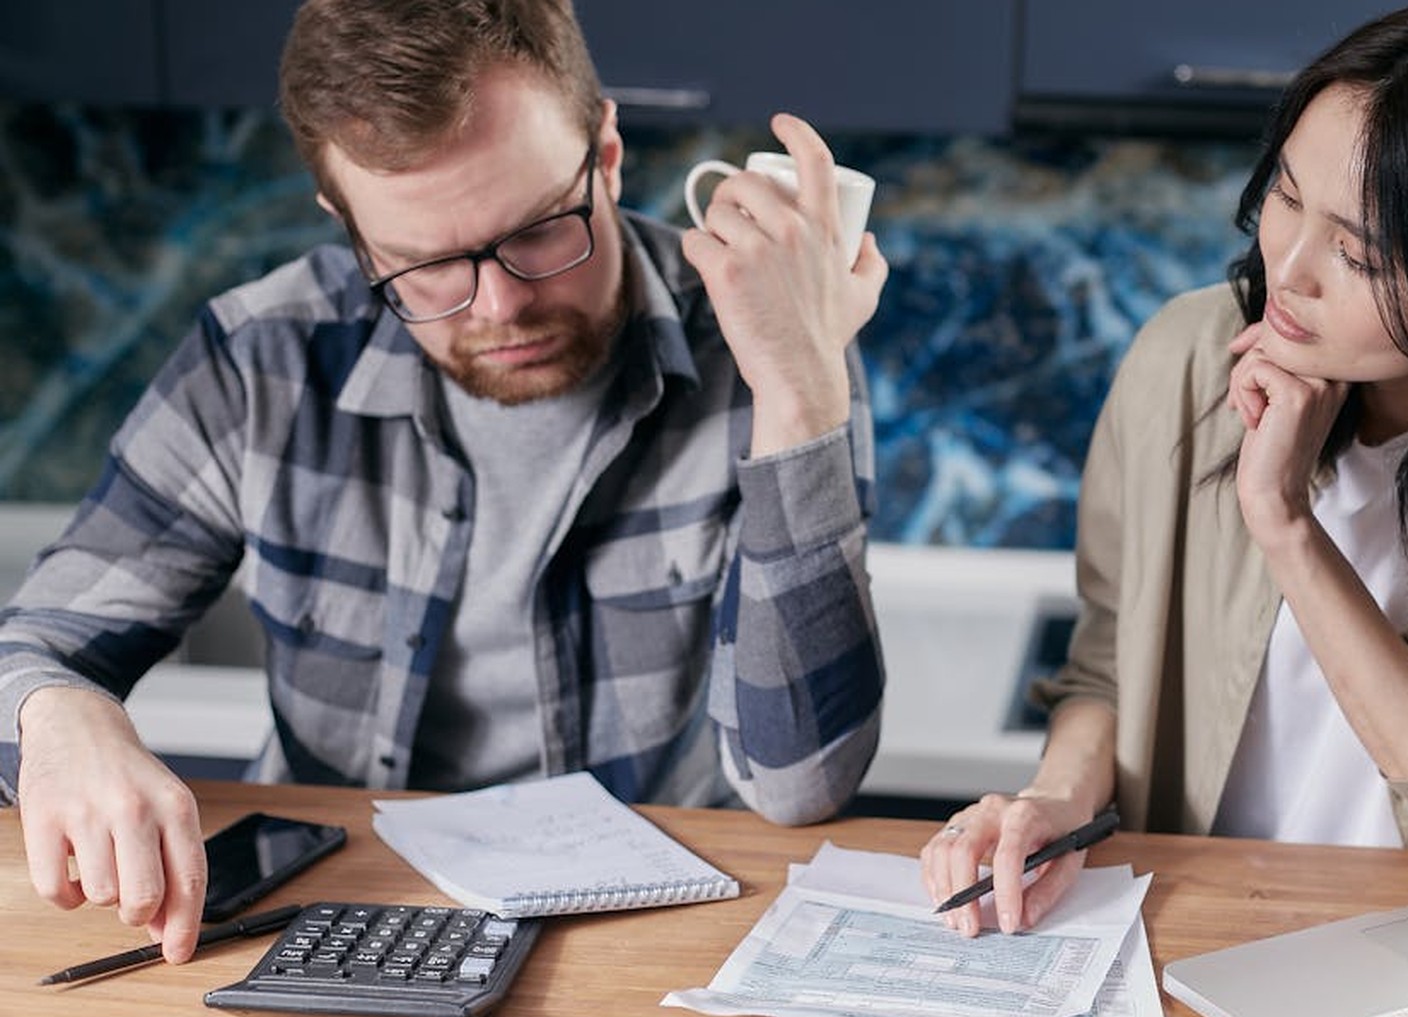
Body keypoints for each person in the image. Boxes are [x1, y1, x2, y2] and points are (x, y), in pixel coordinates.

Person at [0, 0, 887, 962]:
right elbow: (36, 645)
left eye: (543, 229)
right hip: (334, 918)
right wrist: (57, 718)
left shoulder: (769, 342)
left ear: (608, 151)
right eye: (422, 267)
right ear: (345, 224)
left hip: (650, 939)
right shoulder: (262, 357)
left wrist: (799, 391)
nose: (502, 306)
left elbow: (801, 784)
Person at [922, 0, 1408, 937]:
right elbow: (1109, 665)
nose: (1288, 270)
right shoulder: (1187, 356)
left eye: (1358, 251)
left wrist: (1284, 521)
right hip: (1192, 928)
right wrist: (1054, 802)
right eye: (1287, 196)